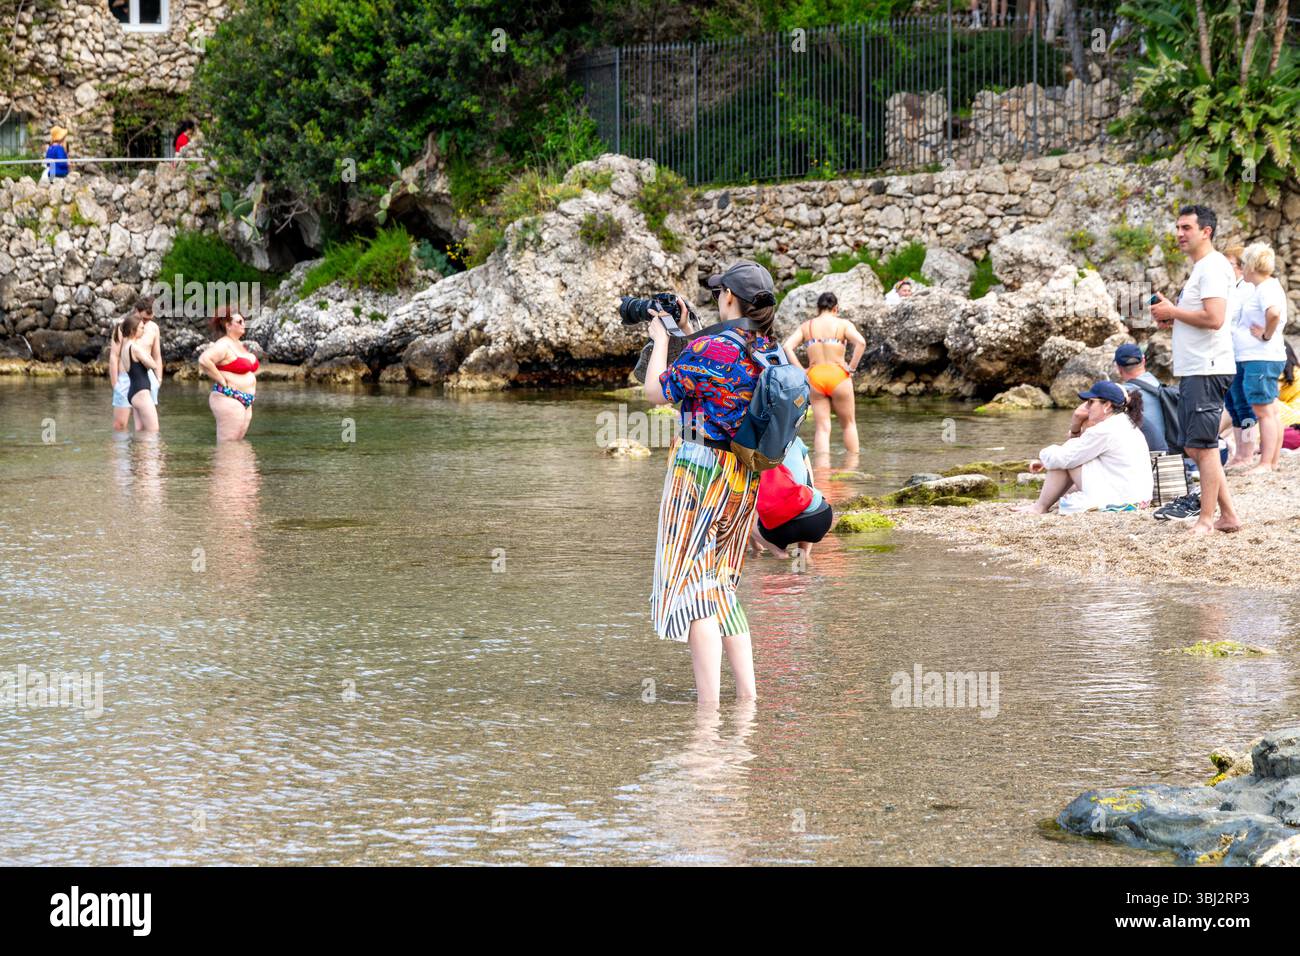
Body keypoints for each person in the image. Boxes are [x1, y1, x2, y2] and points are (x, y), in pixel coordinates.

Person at [642, 260, 779, 705]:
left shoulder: (713, 349)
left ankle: (708, 709)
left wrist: (662, 339)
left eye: (720, 292)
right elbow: (718, 363)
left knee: (692, 584)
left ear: (729, 299)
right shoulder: (765, 347)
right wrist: (689, 327)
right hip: (742, 474)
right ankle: (747, 699)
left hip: (699, 469)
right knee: (721, 585)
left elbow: (657, 392)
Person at [1150, 205, 1240, 534]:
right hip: (1196, 368)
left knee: (1202, 445)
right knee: (1194, 444)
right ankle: (1228, 515)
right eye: (1177, 227)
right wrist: (1171, 316)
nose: (1179, 234)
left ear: (1206, 231)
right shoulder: (1202, 268)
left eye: (1186, 227)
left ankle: (1206, 519)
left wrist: (1174, 310)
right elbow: (1200, 318)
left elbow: (1214, 319)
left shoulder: (1213, 267)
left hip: (1208, 367)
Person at [1013, 381, 1152, 515]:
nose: (1086, 407)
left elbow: (1066, 457)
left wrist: (1044, 455)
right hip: (1140, 499)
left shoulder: (1104, 430)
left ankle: (1039, 507)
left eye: (1091, 402)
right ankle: (1040, 505)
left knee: (1066, 459)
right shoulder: (1124, 422)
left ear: (1107, 406)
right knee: (1069, 457)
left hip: (1122, 501)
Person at [1226, 243, 1288, 473]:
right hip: (1256, 356)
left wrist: (1265, 334)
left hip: (1260, 356)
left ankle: (1265, 462)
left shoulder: (1266, 288)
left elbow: (1273, 313)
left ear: (1251, 265)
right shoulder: (1264, 286)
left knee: (1263, 410)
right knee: (1268, 409)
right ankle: (1270, 461)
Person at [781, 291, 865, 457]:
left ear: (818, 308)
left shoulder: (808, 326)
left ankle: (822, 473)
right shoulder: (843, 324)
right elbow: (861, 343)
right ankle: (853, 467)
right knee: (849, 424)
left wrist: (801, 370)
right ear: (836, 308)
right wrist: (852, 368)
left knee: (822, 427)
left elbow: (787, 346)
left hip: (815, 377)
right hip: (838, 376)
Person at [751, 436, 834, 561]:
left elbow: (745, 503)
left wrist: (757, 548)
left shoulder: (746, 447)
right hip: (820, 520)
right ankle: (803, 556)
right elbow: (810, 483)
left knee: (741, 509)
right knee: (808, 494)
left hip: (779, 531)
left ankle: (778, 552)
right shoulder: (795, 439)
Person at [198, 306, 260, 442]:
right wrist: (221, 380)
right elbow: (204, 360)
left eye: (243, 321)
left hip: (245, 400)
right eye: (239, 321)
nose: (243, 324)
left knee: (238, 445)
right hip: (228, 398)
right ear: (228, 326)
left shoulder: (239, 344)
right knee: (228, 445)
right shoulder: (223, 345)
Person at [108, 297, 161, 432]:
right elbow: (114, 356)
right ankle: (122, 452)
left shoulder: (154, 328)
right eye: (144, 319)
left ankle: (139, 453)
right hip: (125, 378)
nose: (146, 322)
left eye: (150, 319)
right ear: (137, 311)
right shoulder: (123, 327)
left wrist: (158, 379)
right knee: (120, 425)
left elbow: (157, 356)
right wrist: (115, 384)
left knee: (143, 427)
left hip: (146, 378)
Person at [1113, 342, 1167, 453]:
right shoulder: (1161, 387)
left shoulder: (1120, 394)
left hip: (1147, 460)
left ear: (1118, 367)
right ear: (1143, 361)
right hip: (1173, 456)